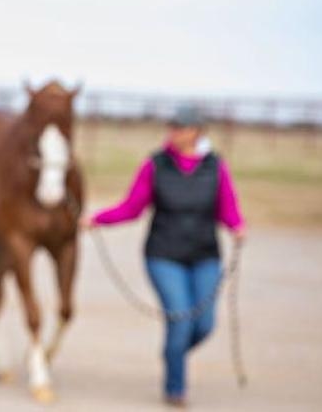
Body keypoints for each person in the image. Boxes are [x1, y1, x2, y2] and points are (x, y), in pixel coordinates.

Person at [81, 105, 245, 407]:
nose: (173, 132)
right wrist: (98, 219)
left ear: (196, 131)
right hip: (163, 255)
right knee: (180, 319)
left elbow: (227, 207)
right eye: (171, 127)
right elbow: (132, 207)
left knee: (204, 325)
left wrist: (237, 227)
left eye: (180, 127)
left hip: (205, 255)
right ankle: (175, 388)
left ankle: (173, 351)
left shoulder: (215, 166)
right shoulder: (155, 164)